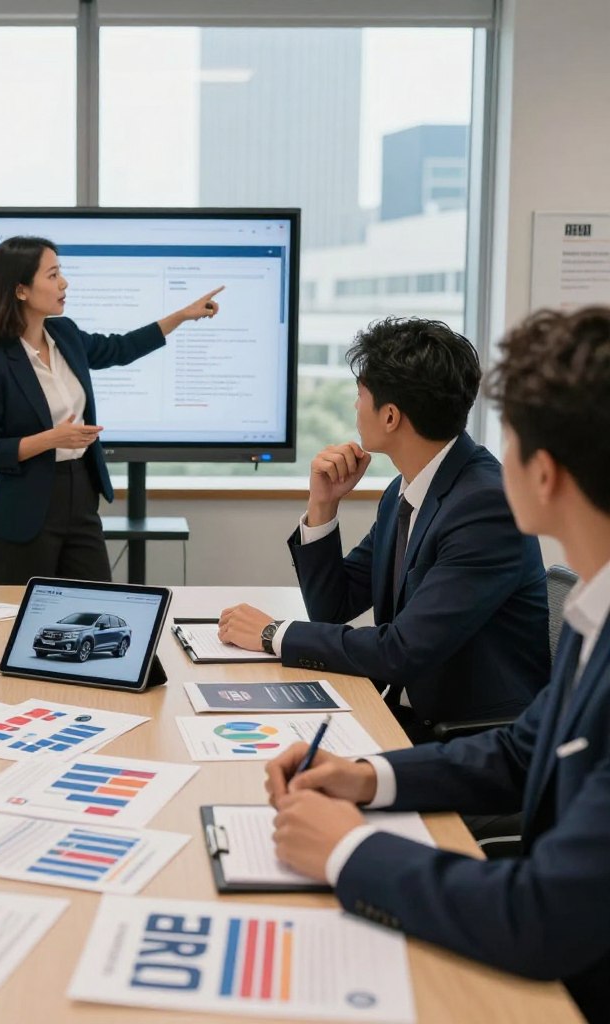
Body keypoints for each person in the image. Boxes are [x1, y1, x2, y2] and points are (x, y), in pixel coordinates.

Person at [266, 306, 610, 1022]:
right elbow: (524, 748)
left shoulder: (477, 498)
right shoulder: (592, 617)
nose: (490, 449)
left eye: (508, 437)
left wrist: (349, 854)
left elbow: (543, 914)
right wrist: (366, 777)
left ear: (541, 473)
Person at [218, 317, 548, 741]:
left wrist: (272, 634)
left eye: (360, 395)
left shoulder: (486, 507)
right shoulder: (406, 490)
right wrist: (323, 503)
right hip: (406, 716)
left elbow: (400, 652)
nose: (355, 407)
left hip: (472, 742)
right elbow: (333, 608)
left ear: (390, 416)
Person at [0, 236, 222, 584]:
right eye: (53, 275)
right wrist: (51, 439)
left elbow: (120, 348)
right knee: (28, 623)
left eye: (61, 273)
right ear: (21, 289)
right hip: (25, 512)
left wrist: (181, 316)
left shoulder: (65, 334)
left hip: (81, 495)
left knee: (97, 610)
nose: (64, 283)